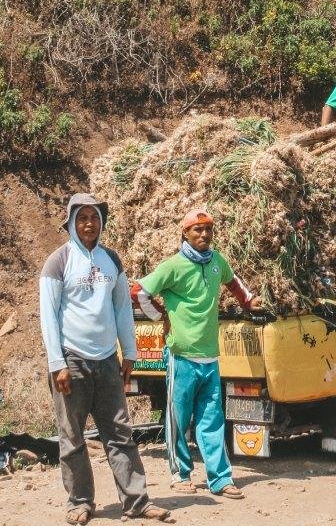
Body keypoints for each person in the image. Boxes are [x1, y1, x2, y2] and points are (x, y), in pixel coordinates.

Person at [39, 193, 172, 525]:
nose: (89, 224)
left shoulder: (112, 260)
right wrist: (57, 364)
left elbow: (122, 309)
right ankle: (80, 503)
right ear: (71, 222)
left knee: (120, 434)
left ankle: (136, 501)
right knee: (72, 438)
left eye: (95, 217)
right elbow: (48, 316)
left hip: (107, 361)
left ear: (102, 222)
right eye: (82, 218)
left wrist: (129, 352)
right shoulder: (58, 261)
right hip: (72, 360)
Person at [135, 209, 262, 500]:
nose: (204, 235)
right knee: (179, 419)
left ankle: (220, 479)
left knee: (212, 421)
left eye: (208, 230)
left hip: (210, 357)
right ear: (185, 234)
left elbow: (234, 281)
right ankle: (181, 475)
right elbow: (139, 292)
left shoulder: (216, 261)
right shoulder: (173, 266)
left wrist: (248, 301)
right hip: (181, 357)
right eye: (197, 230)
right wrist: (159, 316)